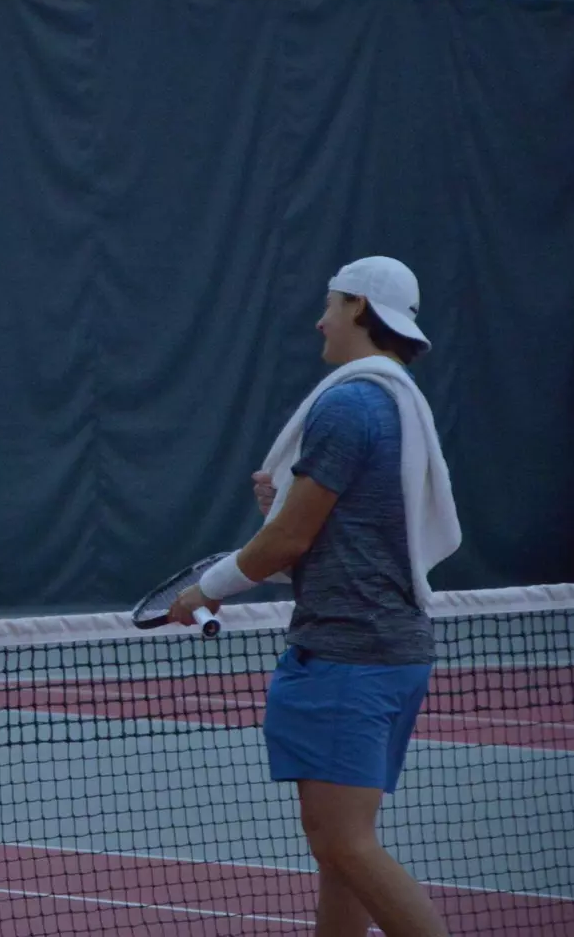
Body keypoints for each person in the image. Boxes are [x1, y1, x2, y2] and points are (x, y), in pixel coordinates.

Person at [170, 256, 461, 937]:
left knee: (345, 846)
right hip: (388, 650)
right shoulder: (391, 402)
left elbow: (287, 541)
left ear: (358, 306)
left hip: (349, 656)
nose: (320, 320)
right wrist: (279, 507)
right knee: (339, 856)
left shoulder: (351, 403)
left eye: (330, 303)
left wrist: (204, 590)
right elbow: (326, 523)